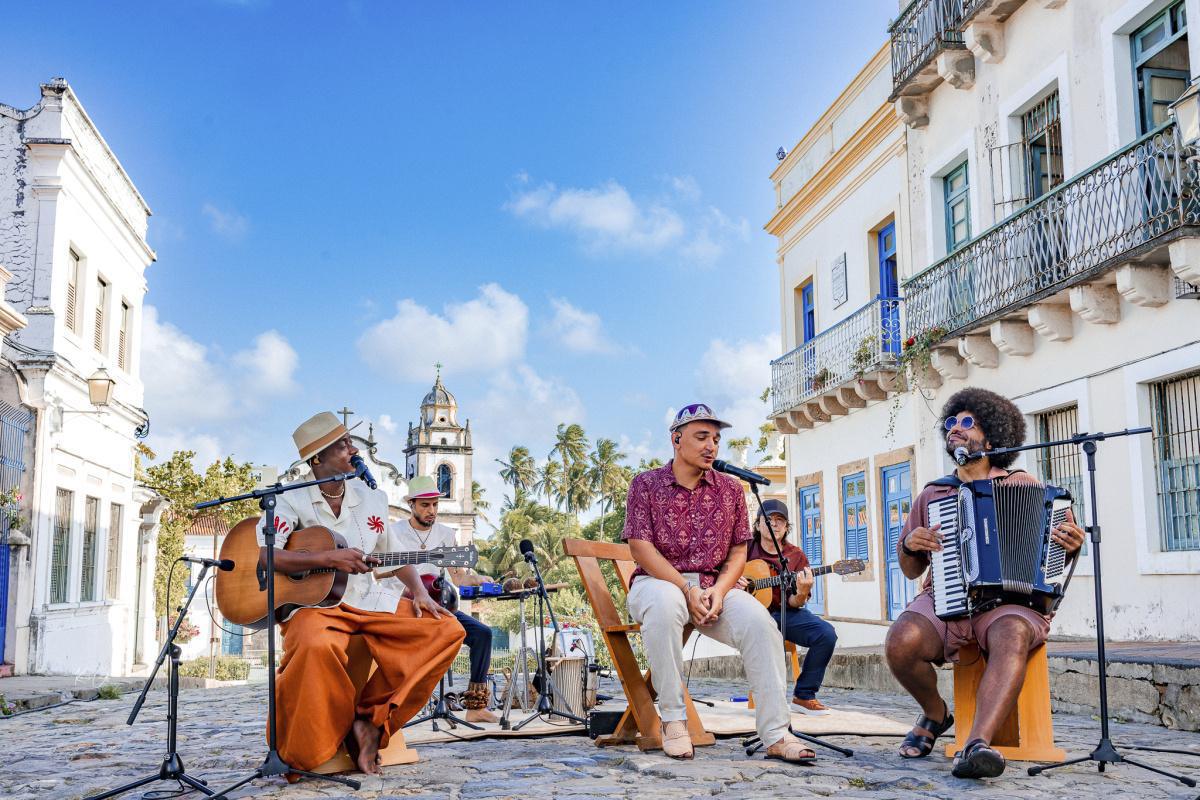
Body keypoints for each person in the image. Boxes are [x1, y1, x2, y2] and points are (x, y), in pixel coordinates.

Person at [884, 388, 1086, 779]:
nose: (954, 429)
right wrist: (910, 544)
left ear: (991, 439)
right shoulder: (934, 492)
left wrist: (1072, 544)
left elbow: (1057, 554)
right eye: (950, 423)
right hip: (946, 596)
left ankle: (976, 745)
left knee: (1012, 632)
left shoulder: (1024, 485)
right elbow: (911, 569)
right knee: (900, 640)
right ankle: (935, 713)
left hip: (1012, 604)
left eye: (966, 422)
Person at [260, 412, 465, 776]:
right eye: (342, 445)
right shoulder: (290, 499)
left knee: (447, 630)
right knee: (313, 647)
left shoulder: (373, 497)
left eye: (350, 441)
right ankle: (309, 752)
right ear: (317, 459)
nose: (353, 450)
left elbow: (390, 554)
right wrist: (328, 557)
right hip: (315, 607)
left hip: (369, 601)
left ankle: (370, 720)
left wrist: (417, 591)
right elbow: (266, 553)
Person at [623, 402, 815, 762]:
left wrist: (719, 590)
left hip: (714, 587)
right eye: (701, 437)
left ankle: (776, 734)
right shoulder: (646, 485)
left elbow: (738, 553)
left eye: (716, 438)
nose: (711, 445)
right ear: (677, 440)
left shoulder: (730, 490)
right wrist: (685, 588)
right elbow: (640, 547)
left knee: (761, 625)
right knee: (664, 607)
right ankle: (674, 722)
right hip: (658, 583)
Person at [389, 475, 500, 724]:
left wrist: (478, 578)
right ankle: (394, 708)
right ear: (412, 505)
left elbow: (458, 578)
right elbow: (385, 576)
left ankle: (475, 706)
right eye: (425, 505)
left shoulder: (446, 534)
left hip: (437, 607)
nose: (431, 511)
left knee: (482, 633)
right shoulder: (394, 532)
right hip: (404, 607)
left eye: (435, 505)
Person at [738, 498, 838, 715]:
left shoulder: (795, 556)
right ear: (757, 525)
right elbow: (721, 571)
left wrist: (801, 592)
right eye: (768, 519)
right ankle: (767, 700)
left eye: (780, 520)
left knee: (826, 634)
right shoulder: (745, 549)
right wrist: (735, 580)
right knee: (763, 631)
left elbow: (795, 601)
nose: (774, 524)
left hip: (785, 613)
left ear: (786, 527)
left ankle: (804, 696)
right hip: (748, 613)